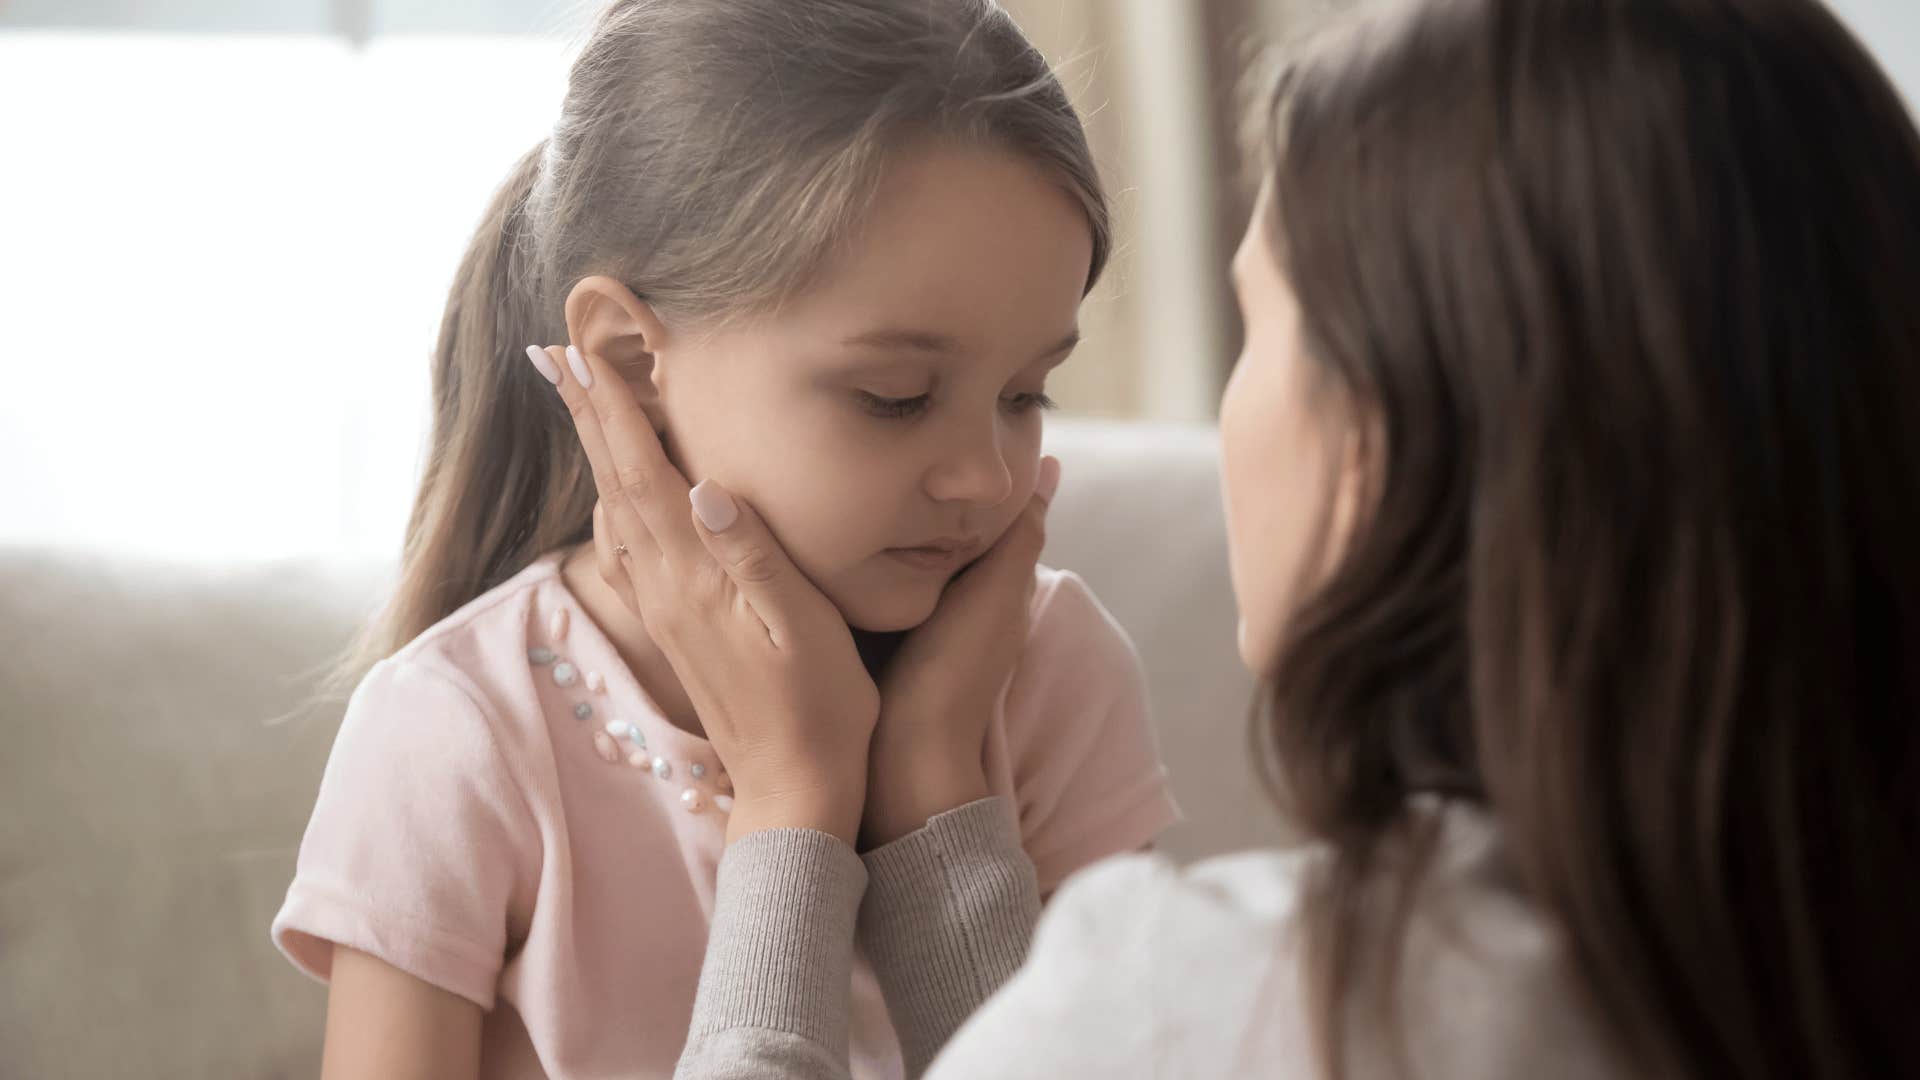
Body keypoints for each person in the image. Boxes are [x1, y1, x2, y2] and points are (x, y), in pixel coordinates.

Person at [548, 0, 1920, 1076]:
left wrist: (800, 804)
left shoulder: (1224, 1006)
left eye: (1263, 329)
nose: (985, 470)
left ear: (1381, 443)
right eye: (900, 396)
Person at [269, 2, 1179, 1076]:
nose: (985, 475)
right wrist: (797, 800)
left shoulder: (1050, 674)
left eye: (1029, 395)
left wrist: (936, 781)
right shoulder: (457, 733)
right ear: (634, 361)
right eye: (895, 395)